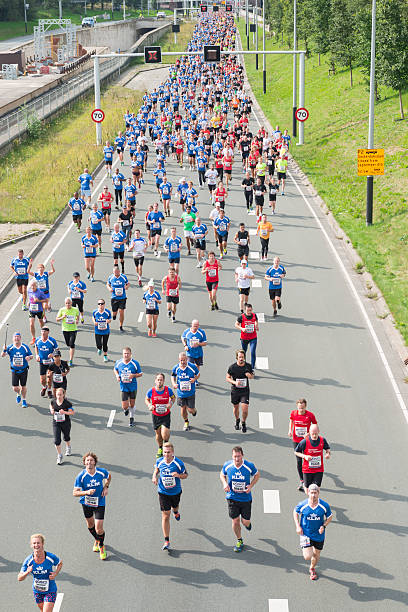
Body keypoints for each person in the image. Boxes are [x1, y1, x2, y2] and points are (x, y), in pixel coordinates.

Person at [219, 446, 259, 552]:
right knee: (235, 521)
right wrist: (224, 484)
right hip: (232, 497)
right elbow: (222, 474)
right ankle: (239, 540)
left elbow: (257, 475)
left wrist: (250, 486)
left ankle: (247, 524)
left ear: (242, 456)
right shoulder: (228, 465)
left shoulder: (249, 466)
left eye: (239, 456)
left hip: (245, 498)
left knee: (245, 522)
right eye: (235, 457)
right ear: (232, 456)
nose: (237, 459)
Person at [73, 452, 111, 560]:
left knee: (99, 528)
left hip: (100, 502)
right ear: (84, 463)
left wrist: (106, 487)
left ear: (95, 462)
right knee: (90, 525)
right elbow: (75, 493)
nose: (89, 462)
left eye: (91, 460)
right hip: (87, 503)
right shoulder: (81, 476)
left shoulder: (101, 472)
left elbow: (109, 477)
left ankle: (101, 545)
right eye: (87, 460)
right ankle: (97, 539)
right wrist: (86, 492)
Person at [152, 442, 188, 551]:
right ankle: (166, 540)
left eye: (168, 452)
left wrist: (178, 475)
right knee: (165, 515)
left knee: (175, 507)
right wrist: (154, 476)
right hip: (163, 492)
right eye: (164, 452)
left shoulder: (178, 463)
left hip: (176, 492)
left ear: (172, 452)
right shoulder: (160, 461)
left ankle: (176, 511)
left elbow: (185, 475)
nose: (166, 455)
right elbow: (157, 469)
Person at [293, 484, 333, 580]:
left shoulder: (324, 505)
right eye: (311, 493)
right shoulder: (303, 504)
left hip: (319, 535)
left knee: (316, 554)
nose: (313, 495)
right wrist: (298, 526)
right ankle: (307, 548)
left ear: (318, 493)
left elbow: (330, 517)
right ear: (308, 493)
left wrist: (323, 526)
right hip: (306, 534)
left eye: (315, 493)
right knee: (308, 556)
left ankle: (312, 568)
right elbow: (295, 512)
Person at [18, 533, 62, 610]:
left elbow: (59, 563)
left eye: (38, 543)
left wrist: (56, 573)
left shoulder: (50, 557)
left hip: (50, 590)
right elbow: (19, 578)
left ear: (42, 544)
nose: (36, 545)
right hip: (37, 591)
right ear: (31, 545)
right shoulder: (28, 561)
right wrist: (27, 572)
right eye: (34, 543)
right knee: (42, 610)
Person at [289, 398, 318, 491]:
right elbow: (291, 421)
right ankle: (302, 480)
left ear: (305, 407)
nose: (301, 410)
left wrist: (309, 434)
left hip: (307, 441)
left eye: (302, 408)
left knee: (308, 459)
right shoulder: (294, 413)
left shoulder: (310, 415)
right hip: (296, 440)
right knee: (298, 461)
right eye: (299, 408)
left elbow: (315, 426)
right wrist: (290, 430)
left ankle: (311, 478)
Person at [145, 373, 176, 458]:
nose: (159, 381)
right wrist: (149, 405)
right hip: (156, 416)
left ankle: (166, 449)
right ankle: (160, 448)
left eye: (161, 380)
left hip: (165, 415)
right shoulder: (151, 391)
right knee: (158, 434)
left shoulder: (168, 390)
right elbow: (147, 399)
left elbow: (173, 398)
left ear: (163, 381)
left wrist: (170, 404)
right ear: (155, 381)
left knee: (165, 435)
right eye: (158, 380)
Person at [295, 424, 331, 492]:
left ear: (319, 431)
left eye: (316, 434)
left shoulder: (322, 440)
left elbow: (327, 449)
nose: (314, 436)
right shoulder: (304, 442)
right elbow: (296, 452)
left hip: (319, 469)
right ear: (309, 432)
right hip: (307, 469)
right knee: (307, 490)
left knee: (316, 489)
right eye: (312, 434)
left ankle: (313, 501)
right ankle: (304, 485)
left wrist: (328, 454)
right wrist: (305, 456)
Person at [2, 331, 33, 408]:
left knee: (23, 386)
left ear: (20, 338)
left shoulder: (25, 347)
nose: (16, 338)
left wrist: (29, 358)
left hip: (23, 370)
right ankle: (18, 394)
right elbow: (2, 355)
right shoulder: (10, 347)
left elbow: (31, 355)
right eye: (15, 337)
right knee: (15, 388)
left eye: (18, 336)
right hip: (14, 371)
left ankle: (24, 400)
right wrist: (4, 350)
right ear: (13, 339)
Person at [114, 347, 143, 427]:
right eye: (124, 353)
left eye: (127, 353)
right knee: (125, 406)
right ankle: (125, 410)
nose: (126, 355)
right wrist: (117, 375)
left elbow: (140, 374)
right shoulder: (119, 362)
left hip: (133, 387)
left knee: (132, 404)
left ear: (130, 354)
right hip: (123, 387)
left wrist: (133, 375)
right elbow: (115, 369)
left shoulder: (135, 363)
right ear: (122, 354)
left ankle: (131, 418)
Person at [226, 349, 254, 433]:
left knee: (245, 409)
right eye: (240, 357)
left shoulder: (248, 366)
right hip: (235, 391)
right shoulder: (232, 367)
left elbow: (252, 375)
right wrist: (235, 382)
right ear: (237, 358)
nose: (241, 359)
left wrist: (250, 376)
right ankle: (237, 420)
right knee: (236, 408)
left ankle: (243, 422)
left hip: (245, 391)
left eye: (242, 357)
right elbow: (227, 377)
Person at [171, 352, 199, 432]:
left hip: (190, 392)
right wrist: (174, 383)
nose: (183, 362)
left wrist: (194, 379)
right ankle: (186, 422)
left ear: (187, 359)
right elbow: (173, 375)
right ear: (179, 360)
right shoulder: (176, 368)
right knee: (183, 409)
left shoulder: (192, 367)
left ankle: (194, 411)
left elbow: (198, 374)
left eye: (184, 360)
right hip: (181, 393)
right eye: (181, 360)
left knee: (190, 410)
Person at [50, 387, 74, 465]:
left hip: (65, 423)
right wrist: (52, 410)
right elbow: (51, 405)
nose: (59, 396)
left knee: (66, 437)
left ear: (63, 395)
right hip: (56, 423)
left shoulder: (67, 403)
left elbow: (72, 412)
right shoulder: (53, 401)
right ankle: (59, 455)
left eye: (60, 395)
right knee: (57, 440)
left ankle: (68, 447)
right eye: (57, 395)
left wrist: (64, 412)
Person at [34, 326, 58, 399]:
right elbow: (36, 347)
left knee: (49, 377)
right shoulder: (38, 340)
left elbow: (57, 350)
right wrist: (37, 355)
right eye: (42, 332)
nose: (43, 333)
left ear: (48, 332)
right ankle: (44, 387)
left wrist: (52, 354)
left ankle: (49, 390)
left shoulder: (52, 340)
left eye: (44, 332)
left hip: (51, 362)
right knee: (42, 379)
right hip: (42, 362)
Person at [56, 297, 79, 367]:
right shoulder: (62, 310)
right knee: (68, 344)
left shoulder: (75, 309)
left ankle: (71, 360)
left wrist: (77, 320)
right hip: (65, 329)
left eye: (69, 303)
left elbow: (77, 316)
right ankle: (70, 348)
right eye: (66, 303)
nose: (68, 304)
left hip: (73, 329)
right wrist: (62, 317)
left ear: (71, 303)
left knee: (72, 344)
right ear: (65, 304)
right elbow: (57, 319)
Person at [235, 304, 258, 370]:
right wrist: (242, 328)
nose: (249, 312)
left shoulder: (254, 315)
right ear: (245, 310)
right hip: (244, 338)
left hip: (253, 337)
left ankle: (252, 368)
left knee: (253, 352)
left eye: (250, 310)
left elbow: (256, 321)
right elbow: (236, 324)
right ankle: (244, 366)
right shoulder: (241, 317)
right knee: (243, 353)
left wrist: (256, 325)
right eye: (248, 311)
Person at [106, 266, 129, 333]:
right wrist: (109, 288)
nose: (115, 274)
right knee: (114, 312)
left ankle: (121, 326)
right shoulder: (111, 277)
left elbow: (128, 283)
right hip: (114, 297)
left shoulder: (123, 277)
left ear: (119, 271)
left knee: (121, 312)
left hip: (122, 298)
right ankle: (114, 315)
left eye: (116, 273)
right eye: (114, 273)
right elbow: (107, 284)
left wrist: (126, 287)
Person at [27, 280, 48, 344]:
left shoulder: (40, 292)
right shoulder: (29, 291)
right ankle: (33, 338)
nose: (32, 287)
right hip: (31, 310)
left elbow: (46, 300)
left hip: (39, 310)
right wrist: (28, 302)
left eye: (34, 285)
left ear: (36, 286)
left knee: (41, 323)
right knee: (31, 324)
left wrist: (38, 300)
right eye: (31, 285)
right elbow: (30, 297)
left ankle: (44, 334)